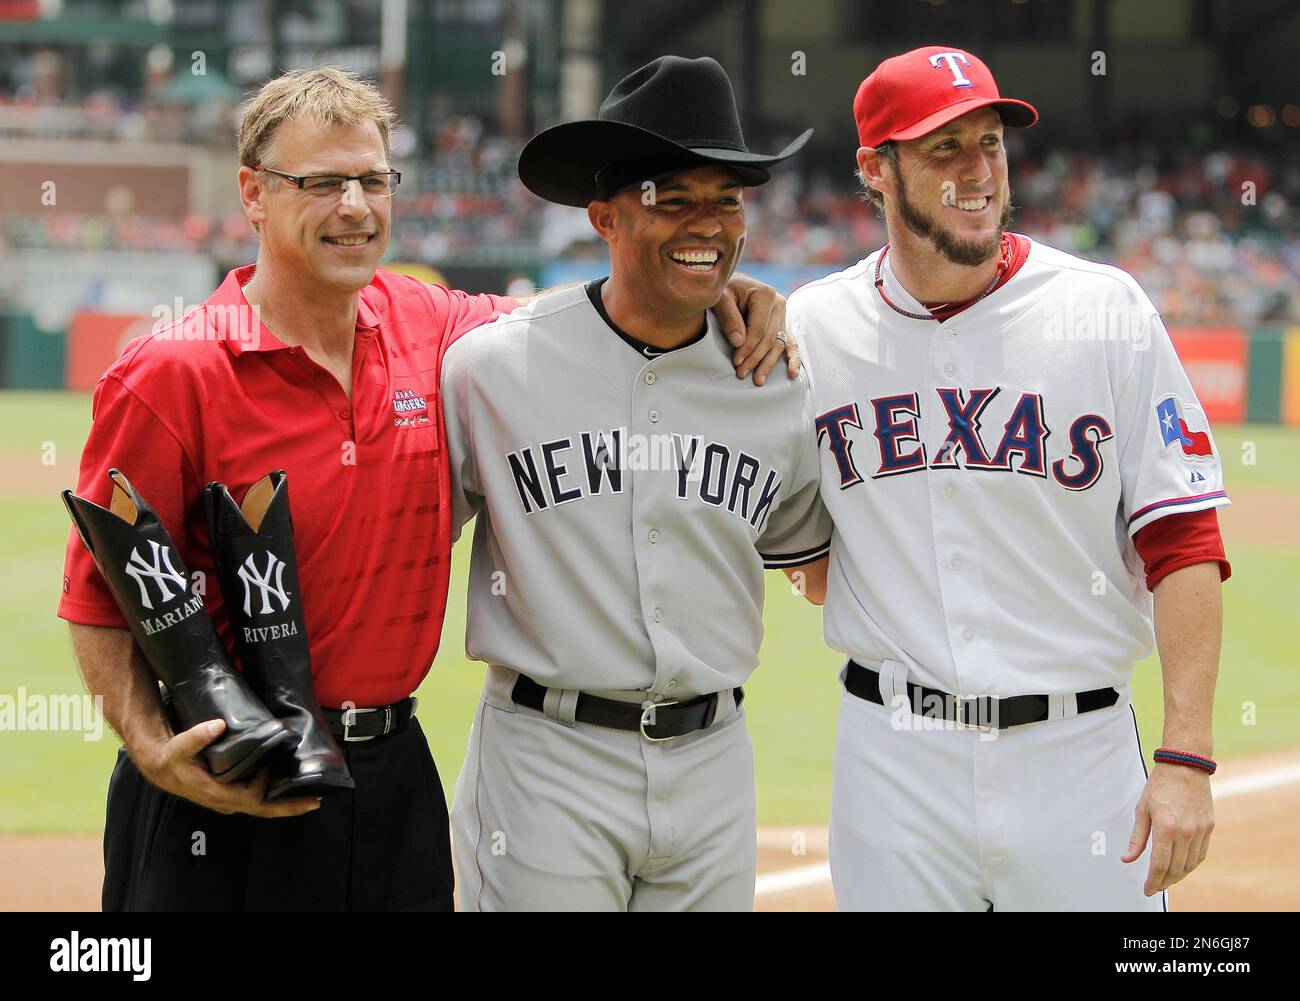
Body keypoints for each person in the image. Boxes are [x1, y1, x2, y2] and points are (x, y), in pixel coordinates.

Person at [58, 66, 793, 911]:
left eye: (373, 180)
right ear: (253, 194)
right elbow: (97, 598)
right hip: (230, 778)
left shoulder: (438, 329)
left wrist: (714, 282)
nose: (355, 207)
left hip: (391, 774)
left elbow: (601, 320)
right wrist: (153, 747)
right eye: (323, 182)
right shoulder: (172, 369)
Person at [786, 46, 1229, 911]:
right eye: (942, 147)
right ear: (876, 170)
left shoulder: (1104, 309)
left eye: (988, 142)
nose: (977, 169)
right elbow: (803, 552)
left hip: (1080, 755)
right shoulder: (816, 325)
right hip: (893, 757)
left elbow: (1185, 540)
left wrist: (1184, 755)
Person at [443, 55, 832, 911]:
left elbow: (816, 566)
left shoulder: (773, 380)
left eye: (727, 198)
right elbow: (404, 540)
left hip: (714, 758)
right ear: (604, 215)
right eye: (673, 197)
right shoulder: (492, 369)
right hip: (548, 761)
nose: (708, 223)